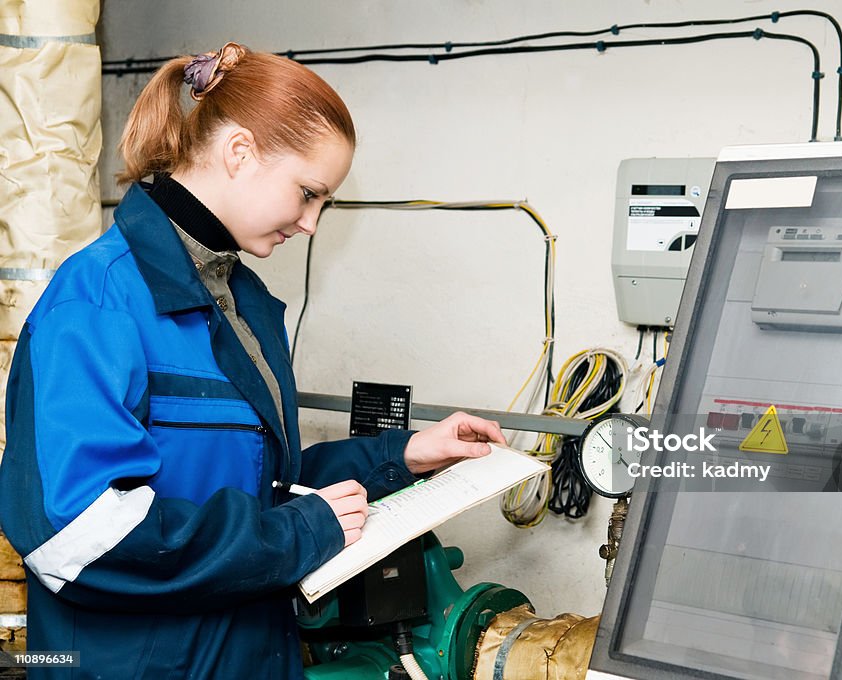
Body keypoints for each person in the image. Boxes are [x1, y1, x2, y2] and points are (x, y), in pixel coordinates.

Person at [0, 42, 506, 679]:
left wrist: (399, 457)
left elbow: (261, 486)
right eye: (308, 193)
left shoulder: (246, 303)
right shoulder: (99, 303)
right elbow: (78, 535)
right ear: (239, 153)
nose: (312, 223)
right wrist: (297, 535)